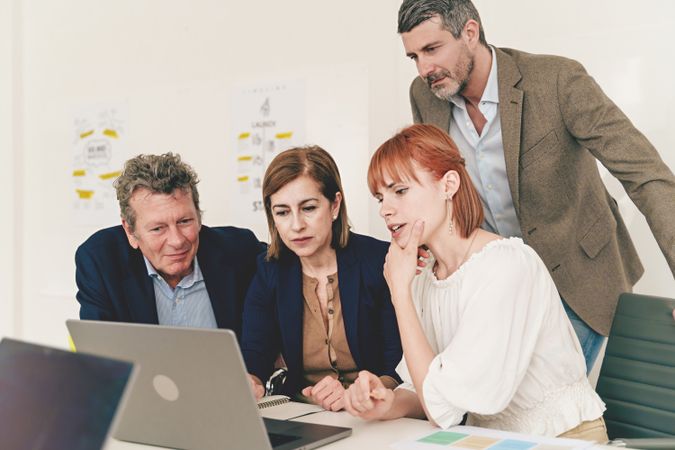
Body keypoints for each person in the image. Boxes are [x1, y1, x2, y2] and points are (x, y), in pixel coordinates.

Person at [397, 0, 675, 372]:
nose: (424, 69)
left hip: (575, 276)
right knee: (485, 398)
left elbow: (645, 174)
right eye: (413, 56)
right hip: (496, 283)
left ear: (470, 32)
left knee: (538, 395)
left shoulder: (558, 80)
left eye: (432, 49)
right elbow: (438, 188)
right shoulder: (425, 96)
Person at [343, 124, 607, 441]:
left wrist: (399, 294)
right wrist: (388, 403)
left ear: (448, 185)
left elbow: (441, 407)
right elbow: (427, 387)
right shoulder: (429, 276)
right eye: (380, 198)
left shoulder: (505, 266)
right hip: (490, 441)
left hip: (561, 439)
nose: (386, 210)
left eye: (400, 191)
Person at [241, 146, 402, 411]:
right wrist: (251, 379)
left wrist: (363, 392)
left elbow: (396, 365)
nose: (296, 225)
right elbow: (255, 353)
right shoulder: (269, 270)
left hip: (376, 413)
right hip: (304, 413)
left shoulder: (378, 261)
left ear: (335, 205)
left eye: (309, 208)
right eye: (282, 212)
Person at [75, 152, 265, 337]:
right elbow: (99, 358)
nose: (177, 241)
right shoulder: (100, 262)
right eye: (158, 228)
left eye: (184, 221)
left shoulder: (239, 250)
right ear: (130, 232)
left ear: (198, 217)